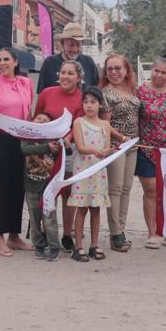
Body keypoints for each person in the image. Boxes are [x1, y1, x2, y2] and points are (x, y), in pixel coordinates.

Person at [0, 46, 38, 257]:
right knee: (0, 189)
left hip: (21, 140)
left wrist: (34, 133)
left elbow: (28, 113)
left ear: (15, 62)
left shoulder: (26, 83)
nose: (2, 63)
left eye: (6, 59)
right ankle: (0, 237)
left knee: (18, 188)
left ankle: (14, 235)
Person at [35, 60, 86, 250]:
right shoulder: (47, 93)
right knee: (47, 191)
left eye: (70, 73)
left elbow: (78, 124)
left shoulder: (82, 98)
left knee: (67, 192)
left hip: (68, 150)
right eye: (63, 72)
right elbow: (37, 117)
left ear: (79, 78)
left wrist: (67, 139)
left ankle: (67, 233)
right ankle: (47, 231)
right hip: (46, 150)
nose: (65, 76)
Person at [136, 58, 166, 248]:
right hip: (147, 149)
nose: (159, 75)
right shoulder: (140, 91)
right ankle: (152, 233)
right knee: (151, 190)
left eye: (163, 72)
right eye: (156, 70)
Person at [70, 87, 123, 262]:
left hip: (99, 172)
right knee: (82, 207)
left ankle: (94, 245)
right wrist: (95, 150)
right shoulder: (78, 122)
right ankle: (78, 246)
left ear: (100, 104)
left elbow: (106, 147)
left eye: (93, 102)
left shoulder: (105, 125)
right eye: (86, 102)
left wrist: (111, 150)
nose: (89, 105)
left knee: (96, 208)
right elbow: (80, 147)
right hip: (83, 170)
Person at [100, 54, 142, 251]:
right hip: (116, 146)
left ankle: (121, 230)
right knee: (115, 190)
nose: (114, 72)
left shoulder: (131, 90)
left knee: (126, 189)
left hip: (133, 145)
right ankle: (115, 233)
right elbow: (105, 125)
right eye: (110, 69)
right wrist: (122, 138)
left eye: (118, 68)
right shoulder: (105, 93)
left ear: (126, 70)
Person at [22, 114, 62, 262]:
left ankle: (54, 246)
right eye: (39, 118)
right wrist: (46, 148)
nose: (41, 121)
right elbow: (24, 149)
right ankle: (39, 245)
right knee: (34, 218)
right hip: (31, 186)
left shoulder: (53, 139)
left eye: (46, 121)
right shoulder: (27, 137)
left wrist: (63, 144)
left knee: (49, 217)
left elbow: (65, 151)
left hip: (49, 187)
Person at [36, 22, 99, 92]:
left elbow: (96, 92)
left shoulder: (89, 62)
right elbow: (41, 94)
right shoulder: (49, 63)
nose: (75, 50)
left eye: (78, 45)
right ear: (62, 44)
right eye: (71, 45)